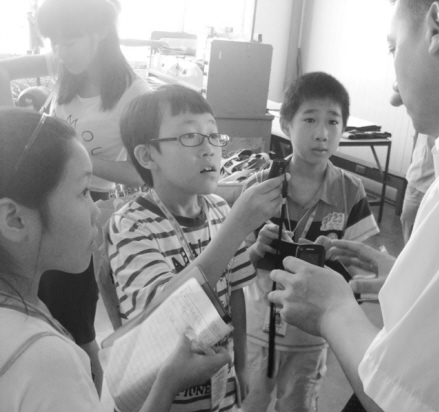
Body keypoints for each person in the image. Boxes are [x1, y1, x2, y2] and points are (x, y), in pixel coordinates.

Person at [268, 1, 439, 411]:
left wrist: (333, 310)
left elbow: (405, 402)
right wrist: (418, 278)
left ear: (436, 25)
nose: (394, 94)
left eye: (393, 47)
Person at [0, 107, 232, 412]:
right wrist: (168, 383)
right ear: (14, 219)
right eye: (83, 191)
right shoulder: (46, 362)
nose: (96, 210)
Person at [0, 0, 151, 393]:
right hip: (40, 200)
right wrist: (17, 135)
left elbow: (144, 172)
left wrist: (75, 161)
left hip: (82, 208)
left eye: (69, 41)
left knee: (77, 329)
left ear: (98, 33)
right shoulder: (62, 65)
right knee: (31, 309)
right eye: (53, 41)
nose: (60, 51)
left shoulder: (134, 93)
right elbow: (4, 68)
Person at [108, 84, 287, 412]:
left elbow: (236, 291)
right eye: (190, 136)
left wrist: (242, 364)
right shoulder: (132, 224)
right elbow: (164, 316)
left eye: (213, 135)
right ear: (147, 156)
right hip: (164, 396)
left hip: (221, 383)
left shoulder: (219, 209)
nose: (209, 149)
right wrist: (237, 227)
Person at [242, 72, 380, 412]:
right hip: (257, 330)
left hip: (312, 336)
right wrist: (258, 248)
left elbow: (364, 268)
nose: (322, 133)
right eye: (309, 119)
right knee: (249, 404)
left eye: (333, 121)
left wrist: (341, 261)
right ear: (285, 124)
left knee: (299, 406)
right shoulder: (260, 185)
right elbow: (234, 263)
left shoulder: (350, 191)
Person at [390, 83, 436, 244]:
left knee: (428, 239)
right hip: (419, 179)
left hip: (437, 181)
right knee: (409, 234)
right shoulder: (426, 88)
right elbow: (394, 99)